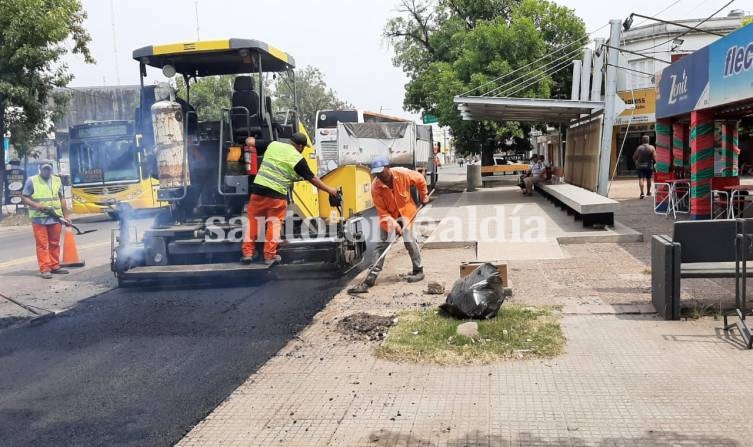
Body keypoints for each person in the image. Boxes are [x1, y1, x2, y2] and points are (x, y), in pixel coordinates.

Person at [241, 132, 339, 265]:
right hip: (276, 196)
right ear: (300, 146)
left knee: (253, 222)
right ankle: (269, 256)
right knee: (274, 224)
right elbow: (312, 179)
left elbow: (250, 141)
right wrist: (330, 190)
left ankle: (247, 254)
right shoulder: (297, 158)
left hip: (258, 191)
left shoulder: (273, 144)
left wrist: (248, 138)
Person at [364, 156, 429, 287]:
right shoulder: (375, 187)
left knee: (409, 240)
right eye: (376, 173)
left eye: (381, 172)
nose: (379, 175)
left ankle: (418, 270)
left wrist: (424, 196)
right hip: (388, 217)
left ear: (388, 168)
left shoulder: (402, 174)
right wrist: (394, 224)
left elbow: (420, 179)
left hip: (406, 213)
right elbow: (382, 211)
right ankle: (372, 275)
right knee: (381, 245)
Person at [21, 161, 72, 279]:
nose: (47, 171)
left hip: (55, 218)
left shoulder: (57, 180)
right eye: (44, 169)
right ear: (40, 169)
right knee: (42, 245)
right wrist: (36, 205)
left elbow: (62, 198)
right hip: (39, 218)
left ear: (51, 169)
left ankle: (54, 266)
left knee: (54, 243)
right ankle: (45, 268)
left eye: (48, 169)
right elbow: (24, 197)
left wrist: (66, 216)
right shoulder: (32, 180)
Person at [632, 135, 656, 199]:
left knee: (641, 179)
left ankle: (642, 193)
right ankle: (648, 192)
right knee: (648, 179)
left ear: (642, 140)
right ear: (648, 140)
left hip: (640, 166)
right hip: (649, 166)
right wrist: (655, 164)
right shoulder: (652, 148)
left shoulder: (639, 148)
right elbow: (655, 158)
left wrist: (636, 163)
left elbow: (634, 157)